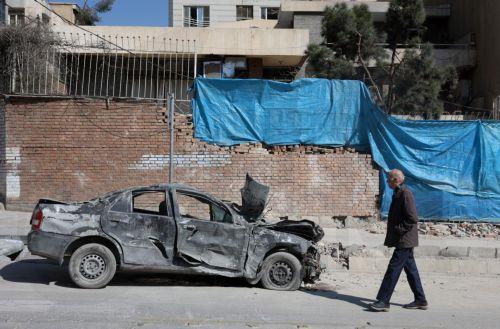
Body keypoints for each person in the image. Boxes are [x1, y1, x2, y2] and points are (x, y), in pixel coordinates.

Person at [369, 169, 428, 312]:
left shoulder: (405, 194)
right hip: (404, 239)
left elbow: (412, 218)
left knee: (393, 269)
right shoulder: (398, 193)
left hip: (405, 240)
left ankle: (383, 301)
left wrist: (399, 230)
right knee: (411, 270)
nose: (388, 182)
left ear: (396, 180)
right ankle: (420, 300)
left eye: (389, 179)